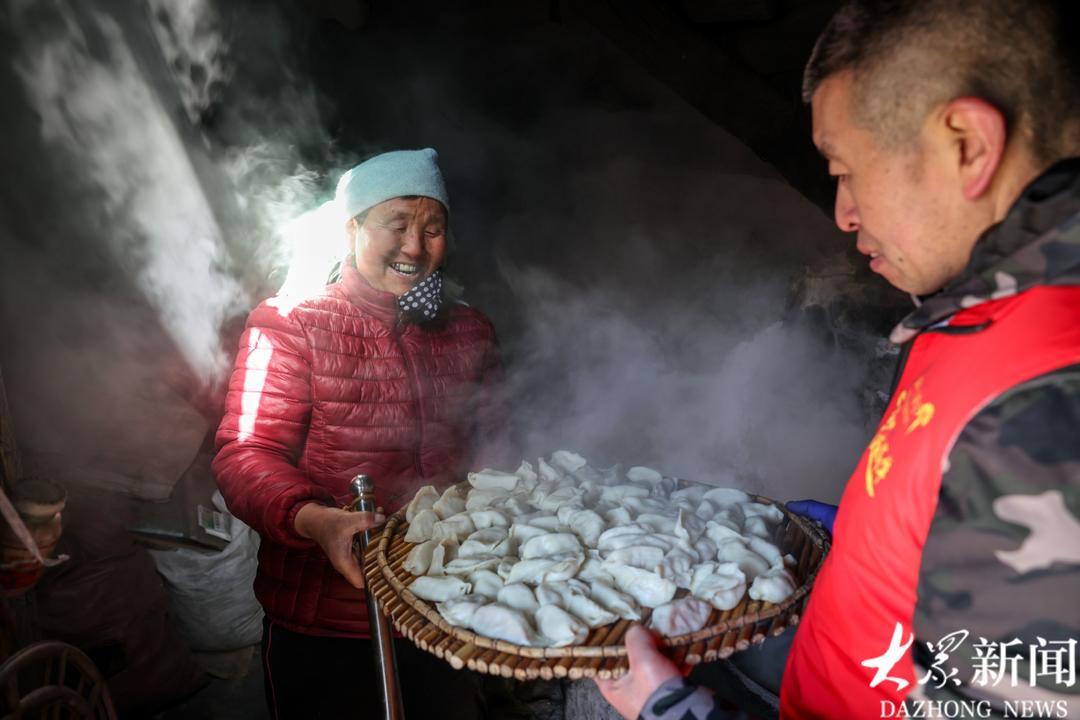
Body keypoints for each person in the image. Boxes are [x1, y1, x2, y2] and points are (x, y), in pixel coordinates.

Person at [597, 0, 1080, 717]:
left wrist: (675, 711)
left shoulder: (1045, 407)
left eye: (846, 170)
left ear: (969, 145)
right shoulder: (971, 312)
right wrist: (850, 534)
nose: (843, 212)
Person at [212, 148, 508, 719]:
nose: (414, 247)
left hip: (447, 611)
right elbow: (245, 453)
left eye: (433, 229)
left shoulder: (470, 329)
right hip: (328, 620)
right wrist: (315, 520)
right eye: (396, 225)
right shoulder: (291, 322)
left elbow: (497, 447)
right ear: (352, 229)